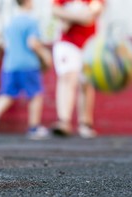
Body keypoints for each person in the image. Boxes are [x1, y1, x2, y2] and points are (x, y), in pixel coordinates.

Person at [0, 0, 52, 140]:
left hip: (10, 64)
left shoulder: (10, 23)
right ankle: (34, 128)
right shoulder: (32, 21)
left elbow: (5, 44)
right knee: (35, 95)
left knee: (7, 93)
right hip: (28, 64)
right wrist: (45, 55)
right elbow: (32, 43)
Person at [51, 0, 104, 138]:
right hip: (67, 43)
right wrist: (80, 16)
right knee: (67, 78)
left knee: (86, 83)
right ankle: (63, 121)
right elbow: (55, 10)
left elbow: (92, 15)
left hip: (89, 45)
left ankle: (85, 123)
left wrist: (68, 18)